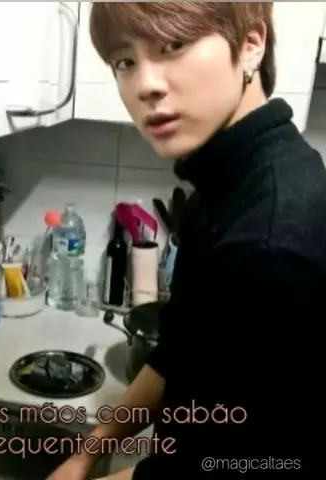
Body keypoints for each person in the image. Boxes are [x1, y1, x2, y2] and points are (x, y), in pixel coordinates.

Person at [47, 2, 323, 479]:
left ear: (251, 45)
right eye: (124, 61)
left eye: (173, 44)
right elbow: (182, 350)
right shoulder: (228, 185)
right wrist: (88, 451)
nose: (144, 85)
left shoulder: (269, 243)